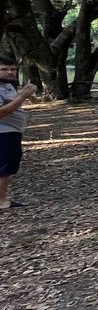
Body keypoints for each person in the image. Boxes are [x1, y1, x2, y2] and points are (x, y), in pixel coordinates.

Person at [0, 55, 36, 210]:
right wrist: (23, 96)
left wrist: (22, 93)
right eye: (4, 69)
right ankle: (1, 201)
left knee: (7, 167)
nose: (10, 72)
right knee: (4, 167)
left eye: (13, 69)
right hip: (3, 133)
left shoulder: (7, 86)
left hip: (11, 132)